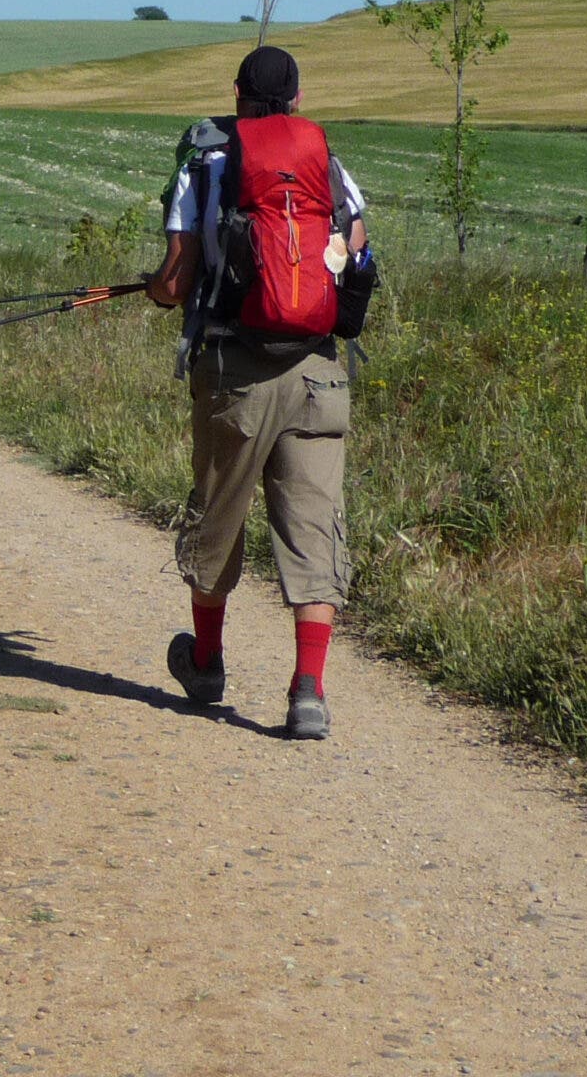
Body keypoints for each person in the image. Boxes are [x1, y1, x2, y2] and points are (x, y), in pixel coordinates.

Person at [144, 45, 373, 740]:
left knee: (216, 520)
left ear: (238, 95)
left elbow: (176, 283)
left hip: (235, 374)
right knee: (314, 527)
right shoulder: (328, 167)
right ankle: (308, 690)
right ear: (298, 100)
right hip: (319, 372)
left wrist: (155, 289)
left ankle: (207, 664)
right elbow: (356, 256)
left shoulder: (205, 166)